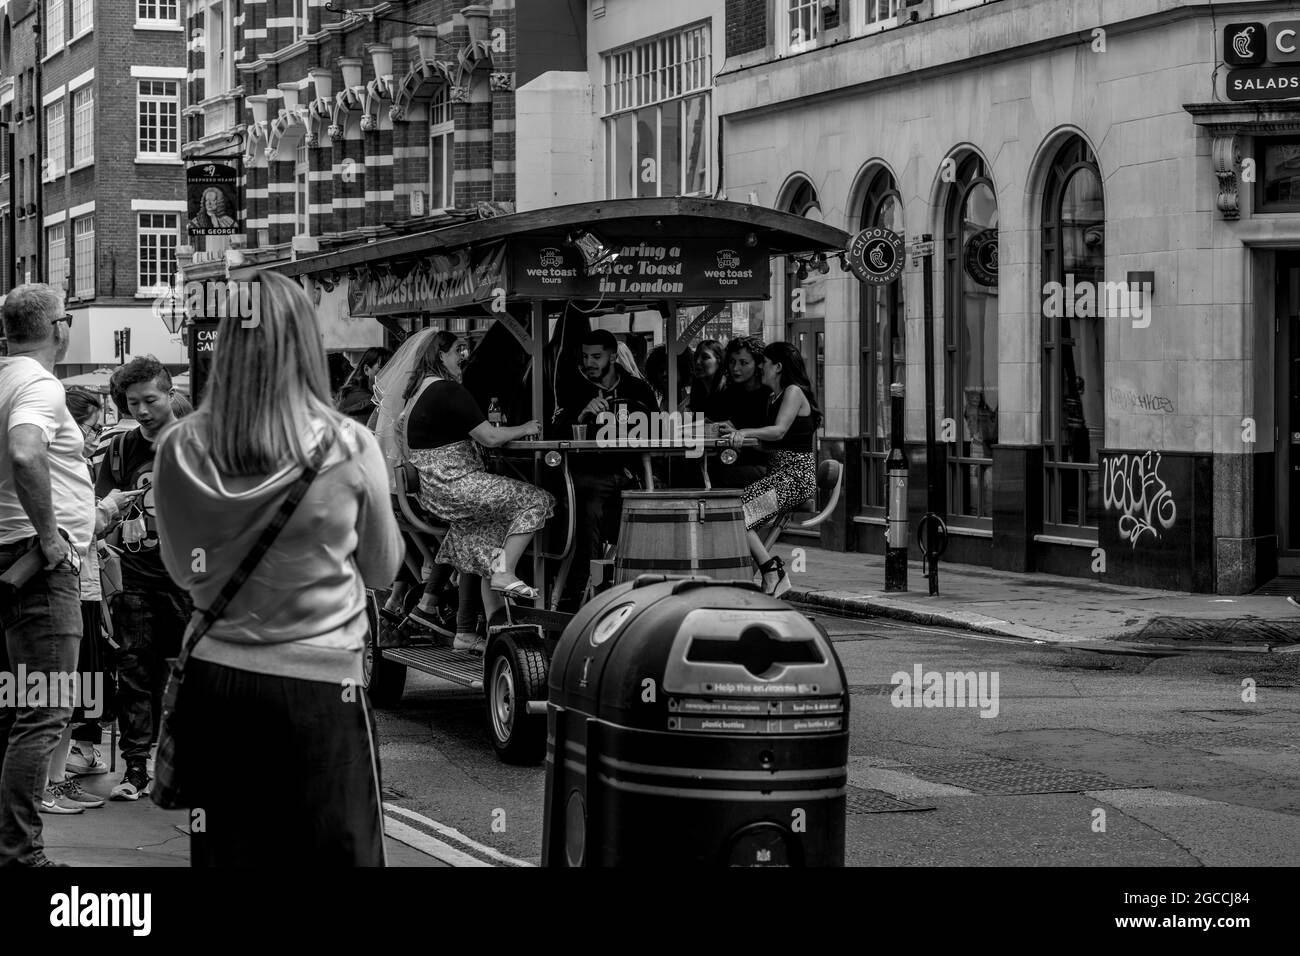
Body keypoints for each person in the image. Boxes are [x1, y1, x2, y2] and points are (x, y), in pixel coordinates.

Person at [154, 270, 403, 867]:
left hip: (219, 683)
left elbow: (182, 571)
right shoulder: (348, 444)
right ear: (303, 341)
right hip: (323, 684)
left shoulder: (180, 447)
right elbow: (381, 569)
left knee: (229, 856)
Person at [0, 285, 95, 867]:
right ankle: (20, 857)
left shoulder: (5, 376)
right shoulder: (39, 383)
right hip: (36, 568)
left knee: (16, 709)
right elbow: (27, 453)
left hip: (11, 557)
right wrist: (53, 535)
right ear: (59, 327)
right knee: (45, 709)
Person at [403, 331, 554, 651]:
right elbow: (490, 438)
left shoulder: (421, 390)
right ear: (439, 354)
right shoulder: (448, 390)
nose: (465, 355)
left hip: (436, 489)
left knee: (487, 536)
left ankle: (466, 631)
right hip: (455, 485)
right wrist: (528, 427)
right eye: (458, 349)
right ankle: (506, 573)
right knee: (537, 499)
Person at [97, 357, 194, 801]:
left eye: (150, 400)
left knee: (194, 674)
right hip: (135, 577)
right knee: (134, 672)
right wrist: (117, 515)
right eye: (132, 403)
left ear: (169, 391)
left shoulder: (200, 444)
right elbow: (98, 510)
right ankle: (135, 771)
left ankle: (186, 768)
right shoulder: (120, 450)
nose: (141, 411)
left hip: (193, 580)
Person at [43, 387, 133, 812]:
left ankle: (57, 780)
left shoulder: (75, 463)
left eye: (101, 428)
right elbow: (78, 525)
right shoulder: (58, 465)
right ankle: (43, 785)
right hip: (66, 589)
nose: (98, 436)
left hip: (86, 588)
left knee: (73, 695)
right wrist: (108, 508)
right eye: (93, 427)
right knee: (52, 694)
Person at [555, 329, 659, 609]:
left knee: (658, 505)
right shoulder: (572, 387)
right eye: (586, 356)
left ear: (613, 356)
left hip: (631, 473)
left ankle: (645, 587)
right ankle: (581, 593)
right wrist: (581, 415)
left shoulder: (637, 389)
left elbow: (659, 429)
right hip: (588, 474)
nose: (590, 362)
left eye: (597, 356)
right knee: (589, 510)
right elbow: (555, 429)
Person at [719, 342, 821, 598]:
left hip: (795, 478)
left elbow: (779, 431)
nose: (761, 367)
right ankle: (762, 573)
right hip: (779, 475)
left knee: (738, 515)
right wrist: (738, 436)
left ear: (777, 367)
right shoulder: (773, 397)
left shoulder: (793, 391)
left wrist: (744, 432)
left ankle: (771, 571)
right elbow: (774, 443)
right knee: (732, 512)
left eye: (764, 362)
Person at [704, 336, 771, 488]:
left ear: (759, 364)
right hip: (730, 461)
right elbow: (712, 420)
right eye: (732, 362)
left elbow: (775, 438)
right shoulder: (728, 394)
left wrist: (738, 432)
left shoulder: (769, 395)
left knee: (710, 477)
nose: (735, 368)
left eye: (743, 363)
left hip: (765, 466)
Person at [337, 347, 392, 427]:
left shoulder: (351, 391)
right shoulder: (366, 401)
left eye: (391, 370)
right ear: (366, 370)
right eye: (382, 369)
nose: (388, 374)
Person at [687, 339, 725, 413]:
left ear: (719, 360)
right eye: (696, 357)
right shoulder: (697, 388)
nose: (697, 362)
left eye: (705, 357)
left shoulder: (728, 391)